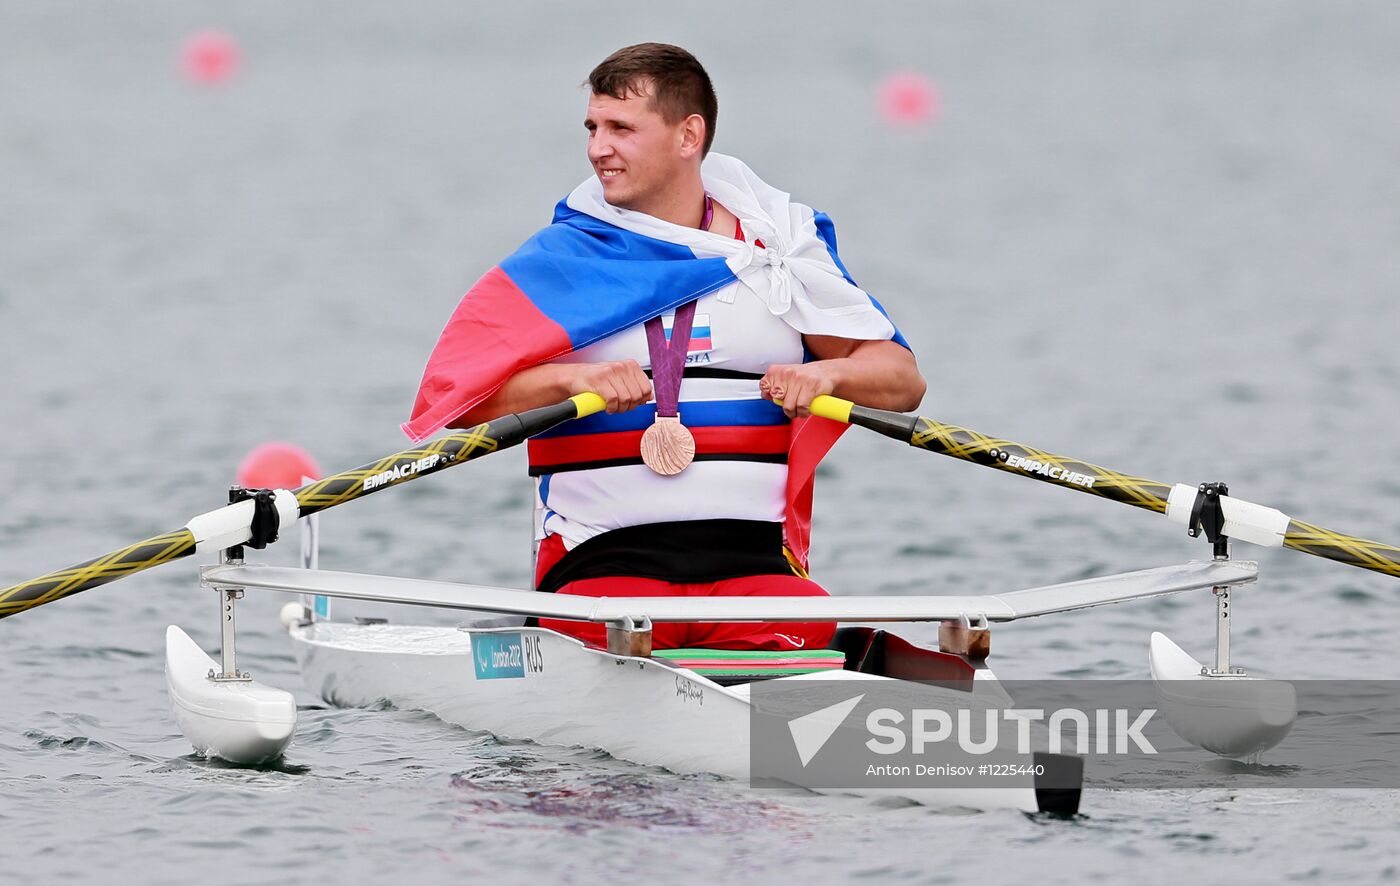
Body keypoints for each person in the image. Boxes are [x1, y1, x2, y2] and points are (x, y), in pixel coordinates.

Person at [404, 43, 925, 651]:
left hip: (752, 567)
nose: (599, 148)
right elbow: (460, 404)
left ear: (688, 136)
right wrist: (573, 382)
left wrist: (830, 377)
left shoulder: (776, 251)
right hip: (601, 571)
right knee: (610, 631)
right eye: (593, 128)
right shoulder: (562, 261)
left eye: (621, 128)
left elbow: (901, 379)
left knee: (808, 620)